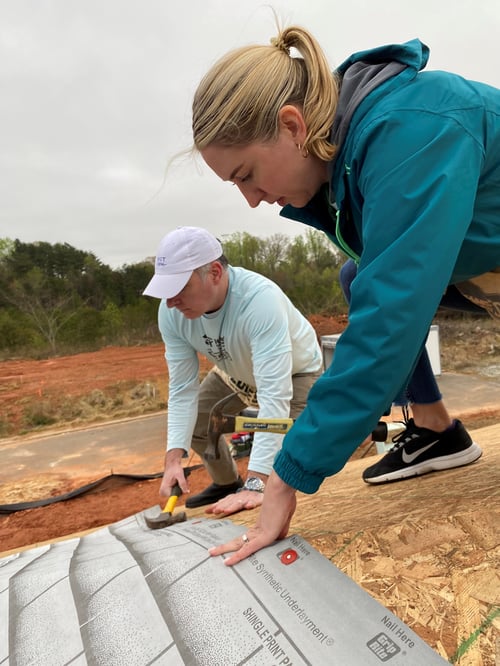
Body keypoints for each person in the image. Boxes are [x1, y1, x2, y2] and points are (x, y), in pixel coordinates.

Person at [189, 24, 500, 563]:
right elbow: (381, 285)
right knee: (356, 277)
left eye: (247, 175)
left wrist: (288, 475)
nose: (251, 200)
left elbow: (389, 317)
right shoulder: (349, 159)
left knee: (377, 292)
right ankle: (437, 432)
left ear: (292, 125)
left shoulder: (409, 130)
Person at [143, 225, 323, 516]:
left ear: (214, 273)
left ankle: (255, 482)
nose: (171, 302)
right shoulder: (171, 313)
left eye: (179, 288)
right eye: (166, 291)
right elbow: (181, 389)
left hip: (295, 373)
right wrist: (173, 459)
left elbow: (274, 394)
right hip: (236, 373)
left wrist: (257, 483)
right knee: (200, 421)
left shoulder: (259, 301)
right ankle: (227, 482)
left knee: (289, 445)